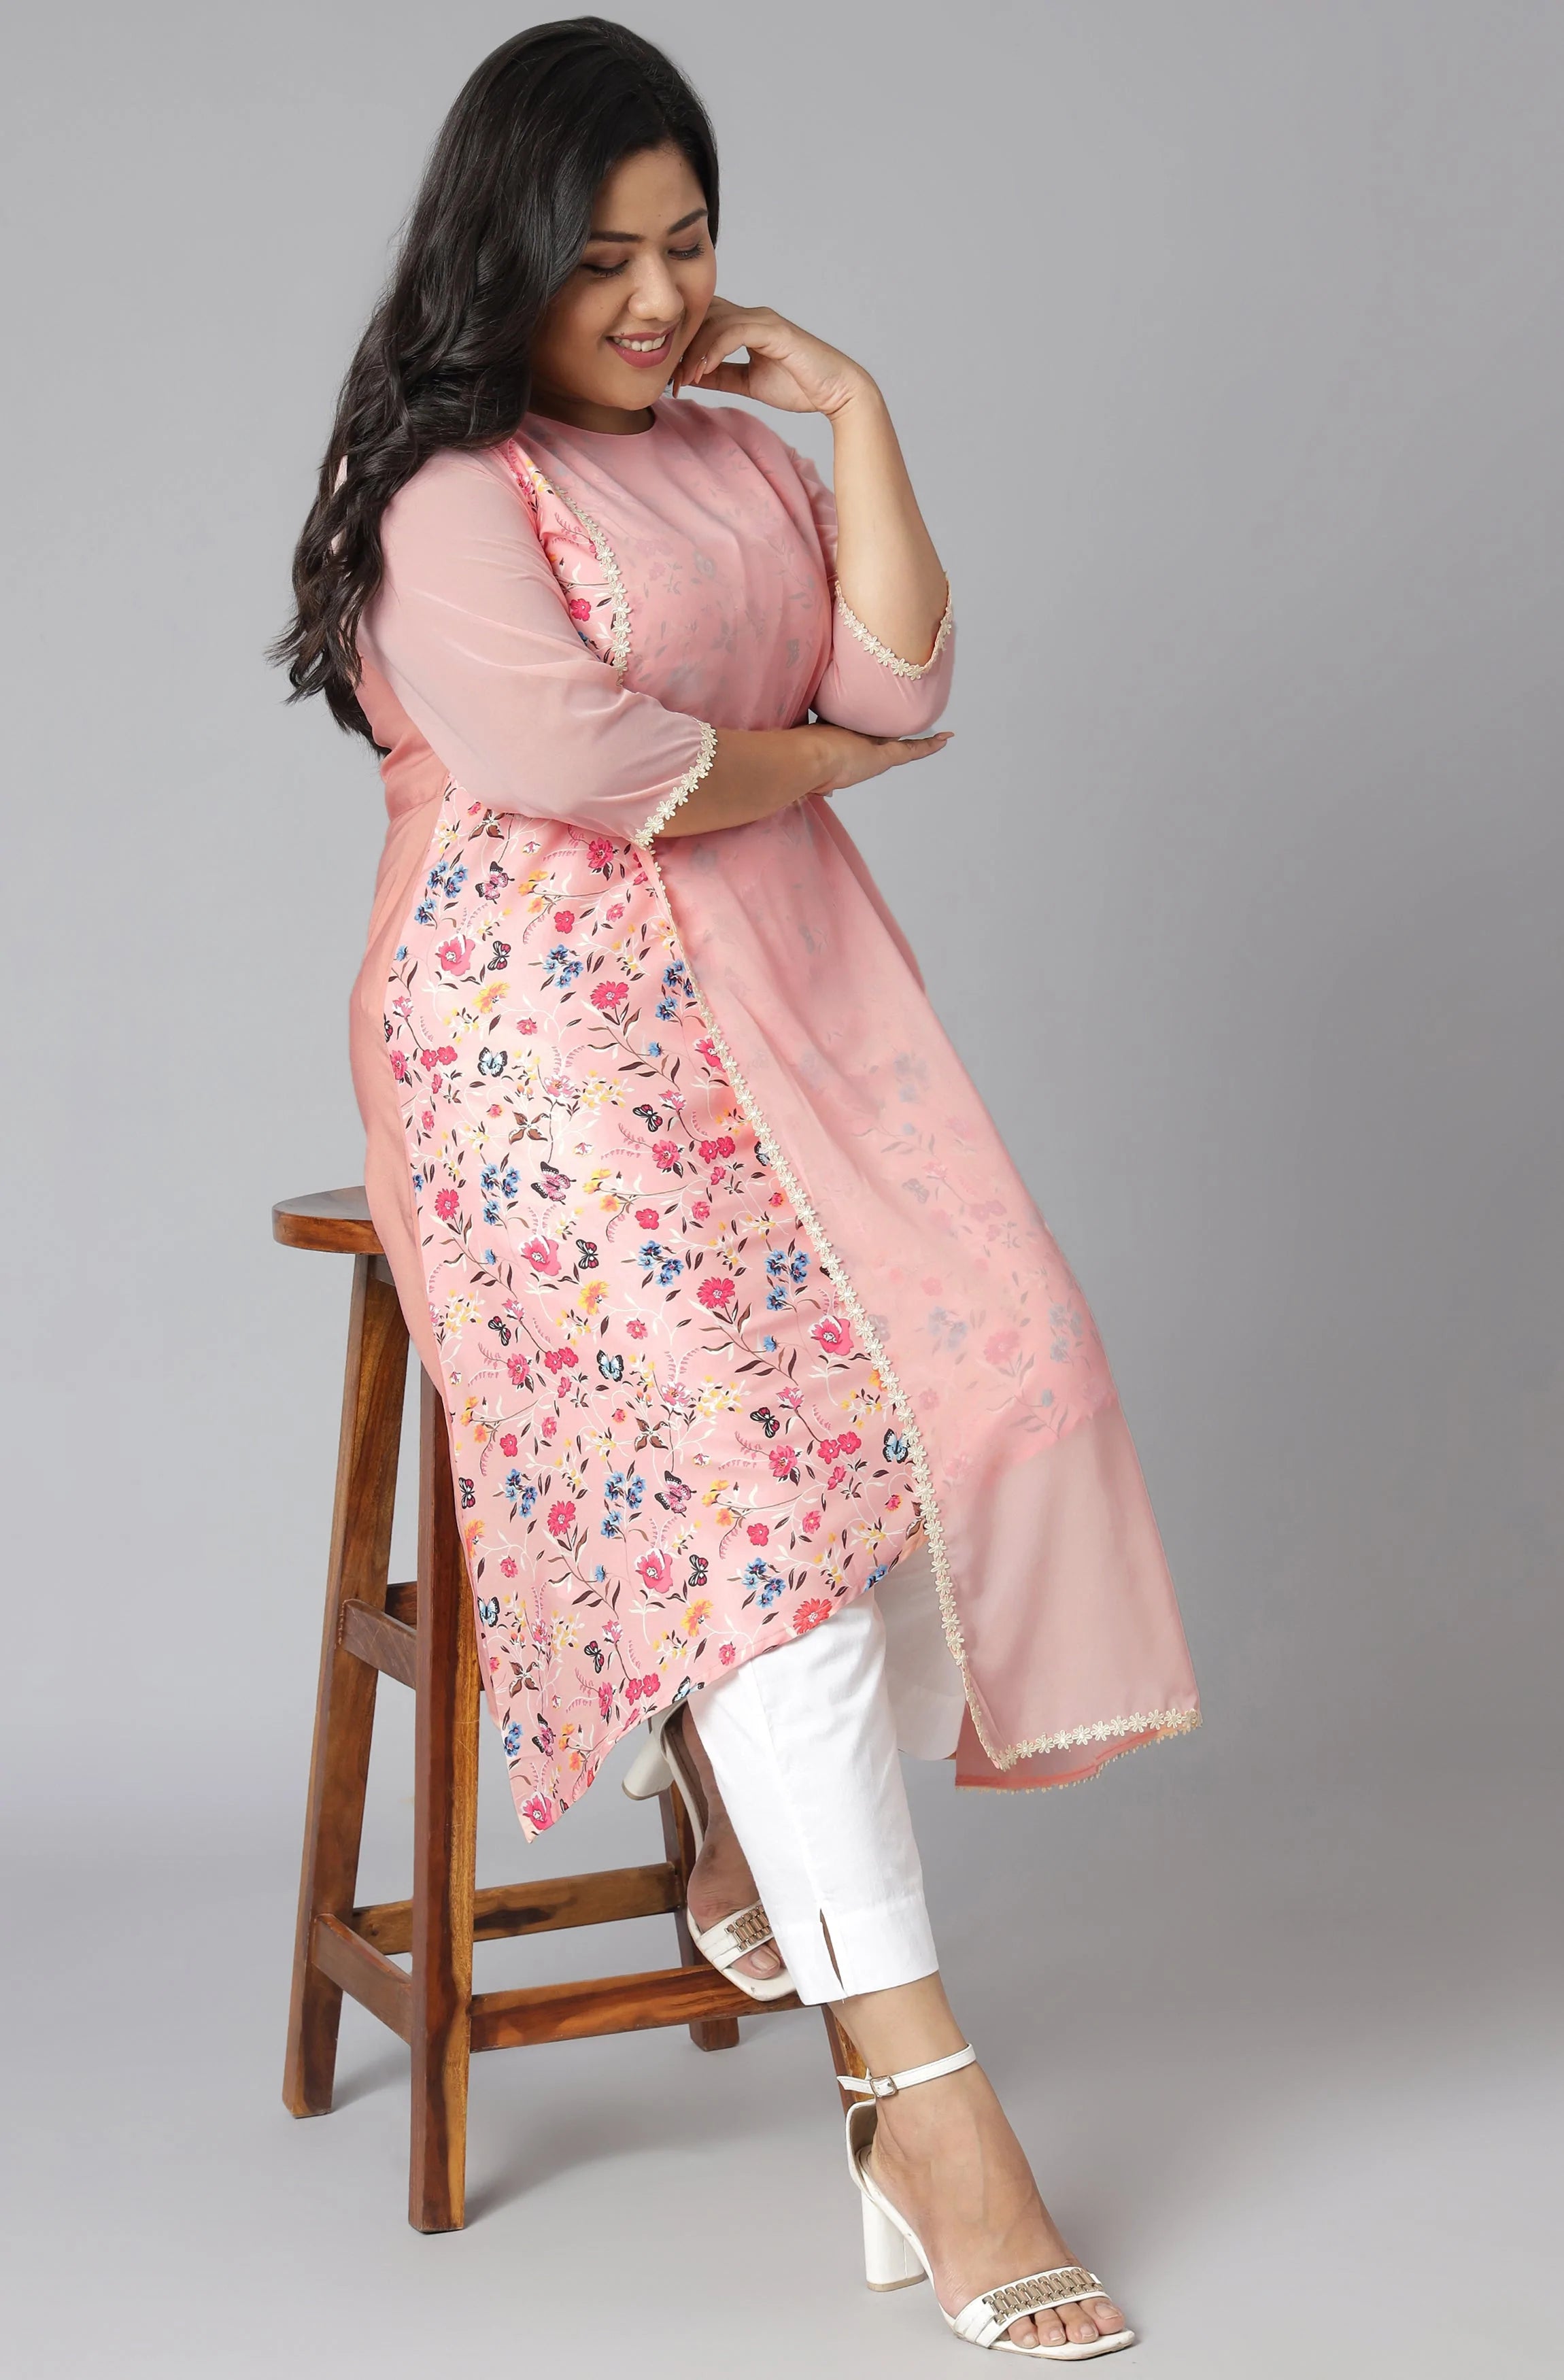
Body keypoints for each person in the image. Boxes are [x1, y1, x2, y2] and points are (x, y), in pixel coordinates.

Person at [273, 18, 1198, 2358]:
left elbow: (892, 675)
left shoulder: (732, 454)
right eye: (601, 259)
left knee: (995, 1372)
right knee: (765, 1512)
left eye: (687, 245)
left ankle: (722, 1767)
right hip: (531, 1035)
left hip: (781, 991)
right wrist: (799, 767)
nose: (659, 299)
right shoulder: (444, 484)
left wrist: (854, 411)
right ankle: (925, 2098)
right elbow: (584, 758)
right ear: (502, 254)